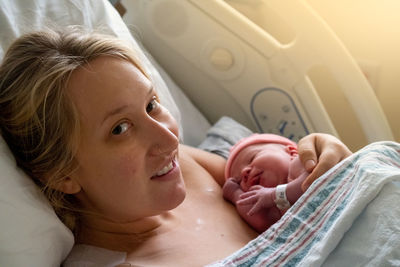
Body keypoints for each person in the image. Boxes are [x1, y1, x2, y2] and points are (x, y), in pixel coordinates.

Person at [0, 28, 352, 266]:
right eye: (120, 129)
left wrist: (319, 154)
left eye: (152, 104)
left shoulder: (186, 164)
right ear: (62, 174)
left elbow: (288, 183)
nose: (169, 139)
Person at [223, 134, 311, 233]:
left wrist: (273, 195)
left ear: (291, 151)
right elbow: (261, 222)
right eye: (239, 181)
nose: (244, 172)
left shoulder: (299, 163)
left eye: (252, 158)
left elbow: (312, 181)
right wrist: (235, 194)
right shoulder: (277, 208)